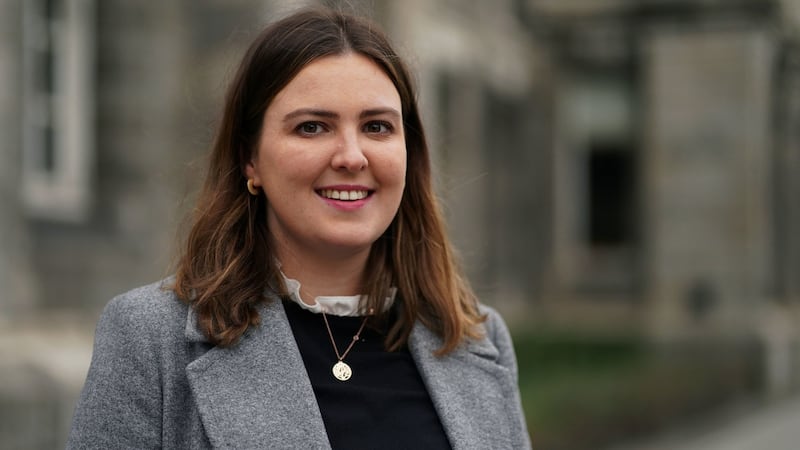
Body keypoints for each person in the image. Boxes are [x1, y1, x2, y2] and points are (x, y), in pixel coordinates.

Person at [67, 7, 530, 450]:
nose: (352, 155)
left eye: (377, 126)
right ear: (250, 158)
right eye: (312, 127)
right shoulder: (150, 339)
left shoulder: (478, 339)